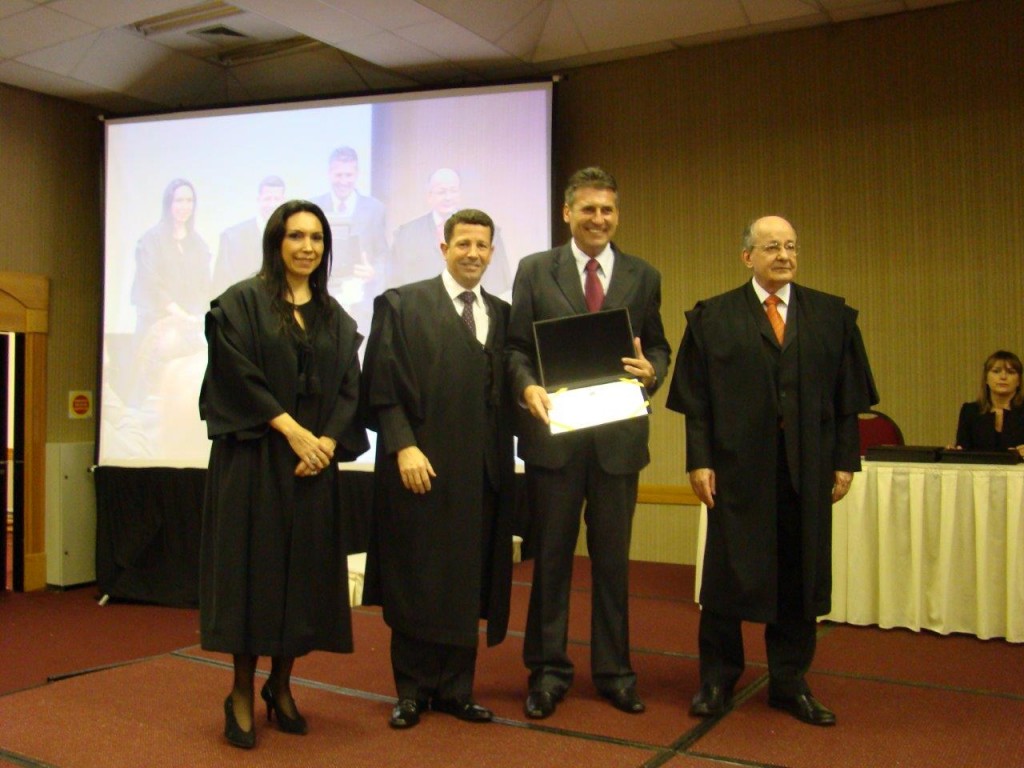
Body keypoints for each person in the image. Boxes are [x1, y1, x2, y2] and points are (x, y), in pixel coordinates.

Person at [666, 215, 877, 727]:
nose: (784, 255)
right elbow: (698, 404)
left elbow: (847, 400)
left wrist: (844, 461)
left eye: (791, 247)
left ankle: (789, 682)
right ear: (748, 257)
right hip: (737, 470)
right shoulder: (712, 318)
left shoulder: (831, 316)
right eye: (772, 247)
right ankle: (718, 678)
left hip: (807, 469)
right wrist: (699, 460)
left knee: (800, 576)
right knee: (727, 575)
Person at [198, 199, 369, 749]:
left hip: (311, 468)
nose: (307, 247)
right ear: (276, 242)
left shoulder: (335, 317)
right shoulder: (241, 304)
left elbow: (349, 388)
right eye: (296, 236)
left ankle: (281, 684)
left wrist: (325, 443)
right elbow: (236, 376)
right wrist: (292, 430)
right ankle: (240, 692)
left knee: (302, 581)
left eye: (316, 238)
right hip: (254, 462)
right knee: (253, 576)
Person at [506, 167, 671, 719]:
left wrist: (652, 371)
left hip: (618, 442)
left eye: (608, 210)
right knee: (550, 561)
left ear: (616, 215)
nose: (599, 219)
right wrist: (526, 386)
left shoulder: (643, 275)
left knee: (613, 564)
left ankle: (615, 672)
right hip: (555, 441)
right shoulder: (535, 270)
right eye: (588, 209)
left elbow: (660, 347)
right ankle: (547, 672)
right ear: (567, 213)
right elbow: (515, 349)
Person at [361, 208, 515, 730]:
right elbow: (381, 387)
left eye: (482, 245)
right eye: (463, 243)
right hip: (420, 469)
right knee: (418, 578)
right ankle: (411, 691)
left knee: (466, 581)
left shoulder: (503, 315)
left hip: (481, 475)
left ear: (492, 252)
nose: (473, 253)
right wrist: (403, 446)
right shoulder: (403, 305)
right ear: (444, 247)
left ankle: (455, 690)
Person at [390, 168, 512, 295]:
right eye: (441, 192)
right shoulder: (406, 235)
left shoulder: (486, 231)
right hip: (420, 303)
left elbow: (499, 281)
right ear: (429, 196)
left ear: (460, 194)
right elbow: (394, 282)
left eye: (453, 191)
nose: (448, 197)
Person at [311, 146, 388, 328]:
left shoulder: (375, 208)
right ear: (329, 174)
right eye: (339, 175)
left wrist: (374, 271)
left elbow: (383, 254)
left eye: (348, 175)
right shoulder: (314, 207)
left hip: (361, 299)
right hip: (322, 297)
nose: (343, 181)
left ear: (357, 174)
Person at [211, 175, 286, 296]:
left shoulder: (293, 236)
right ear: (258, 200)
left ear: (283, 201)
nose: (272, 204)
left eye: (276, 199)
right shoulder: (232, 237)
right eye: (267, 199)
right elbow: (220, 284)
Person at [953, 350, 1024, 457]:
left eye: (1010, 372)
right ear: (986, 378)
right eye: (996, 371)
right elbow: (962, 449)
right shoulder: (970, 411)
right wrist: (953, 452)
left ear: (1019, 381)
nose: (1003, 377)